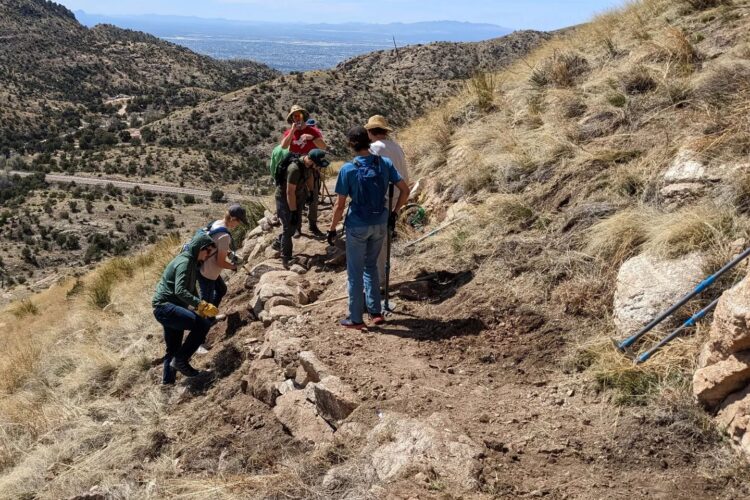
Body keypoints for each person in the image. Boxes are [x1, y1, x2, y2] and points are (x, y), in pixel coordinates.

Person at [327, 126, 410, 329]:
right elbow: (405, 190)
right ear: (368, 141)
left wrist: (331, 229)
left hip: (357, 225)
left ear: (351, 144)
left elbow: (339, 205)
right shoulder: (384, 163)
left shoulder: (348, 169)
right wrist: (394, 213)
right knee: (371, 266)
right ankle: (375, 311)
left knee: (355, 272)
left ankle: (355, 318)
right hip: (380, 221)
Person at [152, 233, 219, 384]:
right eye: (208, 252)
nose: (208, 256)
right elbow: (180, 290)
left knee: (173, 348)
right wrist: (201, 305)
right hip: (166, 307)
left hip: (165, 309)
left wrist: (199, 306)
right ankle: (181, 360)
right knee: (202, 325)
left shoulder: (191, 262)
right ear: (200, 248)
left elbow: (190, 289)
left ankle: (167, 384)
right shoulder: (185, 262)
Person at [365, 115, 411, 284]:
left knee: (376, 243)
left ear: (370, 132)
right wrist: (397, 210)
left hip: (380, 199)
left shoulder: (374, 148)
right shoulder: (397, 148)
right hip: (397, 196)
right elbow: (405, 177)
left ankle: (378, 284)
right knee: (384, 239)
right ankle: (381, 280)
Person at [275, 148, 330, 267]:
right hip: (285, 199)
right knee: (289, 227)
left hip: (298, 195)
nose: (318, 168)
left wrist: (310, 192)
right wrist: (293, 212)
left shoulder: (308, 166)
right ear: (312, 161)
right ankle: (286, 258)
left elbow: (309, 177)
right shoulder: (294, 169)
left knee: (295, 224)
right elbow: (289, 192)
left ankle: (278, 242)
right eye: (318, 165)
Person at [280, 105, 327, 238]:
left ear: (303, 116)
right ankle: (297, 227)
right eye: (294, 116)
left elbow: (323, 146)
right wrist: (292, 132)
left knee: (313, 197)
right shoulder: (290, 132)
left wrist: (312, 138)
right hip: (294, 167)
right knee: (296, 197)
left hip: (310, 166)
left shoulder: (313, 131)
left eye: (299, 115)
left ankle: (313, 224)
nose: (297, 118)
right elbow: (284, 146)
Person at [198, 204, 249, 308]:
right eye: (239, 221)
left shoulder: (216, 223)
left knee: (221, 289)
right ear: (233, 219)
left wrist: (229, 254)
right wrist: (235, 267)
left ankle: (211, 316)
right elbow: (220, 262)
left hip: (202, 265)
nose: (239, 224)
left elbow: (215, 245)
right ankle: (204, 322)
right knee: (206, 302)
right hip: (208, 272)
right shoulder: (224, 236)